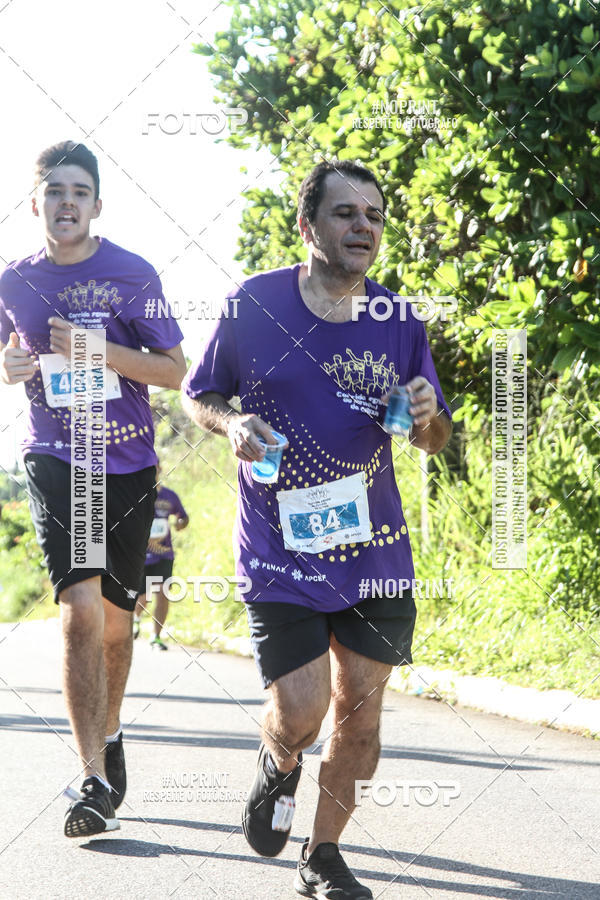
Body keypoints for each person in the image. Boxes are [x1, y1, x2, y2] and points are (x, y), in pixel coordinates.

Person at [182, 159, 452, 899]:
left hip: (375, 551)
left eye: (373, 214)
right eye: (345, 213)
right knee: (302, 711)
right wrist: (231, 422)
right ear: (308, 226)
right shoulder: (254, 304)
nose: (362, 226)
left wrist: (427, 421)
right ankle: (279, 762)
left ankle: (322, 855)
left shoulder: (397, 319)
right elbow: (198, 391)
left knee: (360, 728)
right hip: (280, 546)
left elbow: (429, 437)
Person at [0, 141, 186, 838]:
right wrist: (11, 361)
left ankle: (108, 736)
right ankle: (92, 776)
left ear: (97, 205)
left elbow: (174, 371)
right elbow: (2, 348)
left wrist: (98, 351)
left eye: (79, 191)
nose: (67, 202)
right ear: (36, 205)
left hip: (129, 462)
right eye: (54, 192)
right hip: (58, 456)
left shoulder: (132, 275)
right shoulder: (12, 281)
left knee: (115, 621)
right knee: (79, 610)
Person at [133, 464, 189, 649]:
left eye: (154, 468)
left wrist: (180, 523)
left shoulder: (169, 496)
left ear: (159, 469)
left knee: (162, 592)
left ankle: (156, 636)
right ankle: (135, 619)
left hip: (164, 553)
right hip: (140, 553)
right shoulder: (135, 494)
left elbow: (183, 516)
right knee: (143, 595)